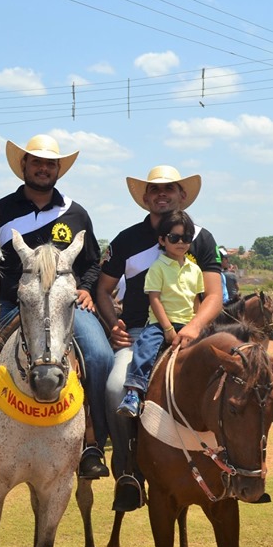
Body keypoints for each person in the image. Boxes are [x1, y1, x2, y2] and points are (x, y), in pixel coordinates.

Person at [0, 134, 113, 479]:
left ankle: (93, 442)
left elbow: (92, 263)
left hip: (63, 305)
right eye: (37, 162)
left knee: (100, 356)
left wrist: (85, 290)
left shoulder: (75, 212)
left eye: (50, 164)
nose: (43, 168)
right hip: (13, 302)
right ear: (23, 166)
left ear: (58, 170)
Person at [97, 165, 223, 511]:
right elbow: (104, 290)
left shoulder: (202, 237)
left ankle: (234, 468)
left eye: (170, 189)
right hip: (142, 333)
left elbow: (214, 295)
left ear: (182, 195)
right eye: (155, 190)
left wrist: (195, 326)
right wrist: (113, 324)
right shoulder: (125, 240)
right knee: (113, 389)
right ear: (145, 197)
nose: (162, 195)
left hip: (195, 335)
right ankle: (128, 473)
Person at [116, 210, 203, 417]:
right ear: (162, 240)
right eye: (174, 238)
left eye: (186, 238)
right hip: (160, 324)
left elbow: (197, 302)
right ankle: (134, 393)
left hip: (189, 325)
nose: (181, 242)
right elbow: (154, 299)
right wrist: (167, 329)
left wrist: (199, 327)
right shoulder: (157, 267)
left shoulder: (195, 270)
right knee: (145, 348)